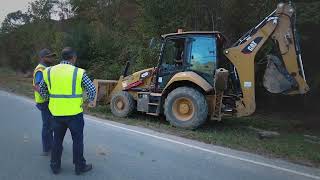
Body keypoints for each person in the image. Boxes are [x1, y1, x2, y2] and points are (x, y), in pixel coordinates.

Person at [39, 47, 96, 175]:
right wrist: (89, 101)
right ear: (73, 58)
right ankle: (79, 167)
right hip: (74, 114)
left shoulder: (49, 71)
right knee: (77, 140)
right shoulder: (78, 72)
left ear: (62, 57)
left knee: (57, 140)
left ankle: (55, 166)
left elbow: (42, 89)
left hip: (56, 113)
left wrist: (51, 99)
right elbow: (92, 89)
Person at [33, 49, 56, 156]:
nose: (52, 58)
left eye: (52, 56)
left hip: (47, 101)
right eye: (49, 56)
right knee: (47, 125)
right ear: (42, 58)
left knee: (50, 124)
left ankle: (50, 145)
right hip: (44, 101)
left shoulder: (46, 69)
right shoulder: (40, 70)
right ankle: (46, 148)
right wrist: (47, 96)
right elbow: (37, 86)